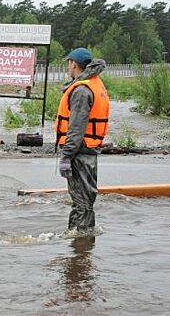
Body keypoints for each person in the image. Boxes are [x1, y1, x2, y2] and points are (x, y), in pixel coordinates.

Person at [54, 48, 110, 233]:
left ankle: (79, 246)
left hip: (80, 152)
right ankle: (85, 245)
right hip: (89, 150)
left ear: (74, 64)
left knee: (81, 201)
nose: (68, 67)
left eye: (68, 63)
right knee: (86, 200)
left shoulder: (82, 91)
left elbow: (76, 128)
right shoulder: (95, 83)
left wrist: (66, 156)